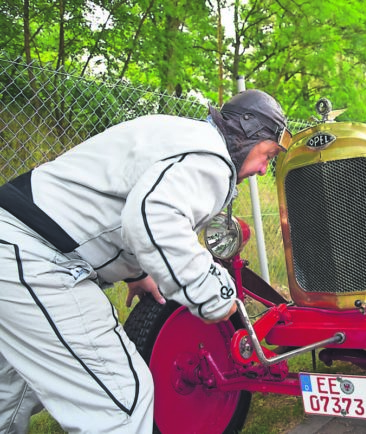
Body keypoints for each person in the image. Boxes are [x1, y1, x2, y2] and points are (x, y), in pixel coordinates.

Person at [0, 89, 290, 433]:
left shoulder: (180, 134)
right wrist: (215, 296)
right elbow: (153, 215)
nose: (261, 169)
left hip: (15, 243)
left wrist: (137, 271)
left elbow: (121, 202)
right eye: (267, 154)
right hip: (34, 258)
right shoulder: (211, 157)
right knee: (120, 403)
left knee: (12, 391)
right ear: (247, 134)